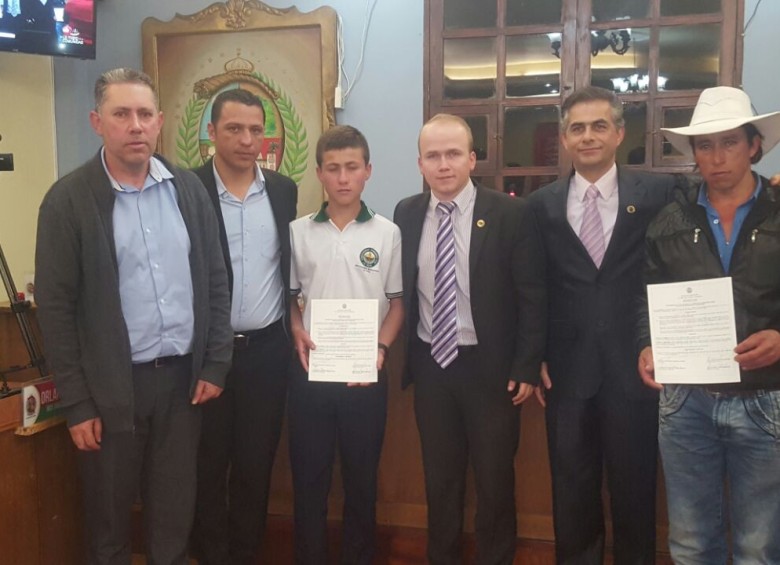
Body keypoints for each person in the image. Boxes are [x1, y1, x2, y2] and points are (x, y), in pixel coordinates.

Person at [34, 67, 233, 565]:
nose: (136, 125)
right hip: (109, 390)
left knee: (173, 515)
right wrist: (77, 403)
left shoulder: (188, 190)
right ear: (97, 121)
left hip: (182, 386)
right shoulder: (67, 201)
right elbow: (56, 310)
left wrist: (214, 364)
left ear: (160, 121)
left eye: (145, 114)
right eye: (122, 114)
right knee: (109, 519)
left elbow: (215, 280)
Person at [527, 86, 677, 564]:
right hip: (567, 372)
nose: (587, 136)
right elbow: (535, 288)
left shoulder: (657, 192)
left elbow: (721, 192)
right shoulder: (541, 205)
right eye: (577, 128)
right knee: (571, 489)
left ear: (619, 133)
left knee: (635, 489)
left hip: (634, 367)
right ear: (565, 139)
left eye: (598, 126)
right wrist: (536, 357)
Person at [393, 114, 545, 564]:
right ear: (420, 163)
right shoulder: (406, 212)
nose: (444, 165)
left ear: (472, 159)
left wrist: (525, 364)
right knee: (440, 481)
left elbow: (533, 295)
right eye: (434, 156)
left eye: (454, 154)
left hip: (491, 370)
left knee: (495, 481)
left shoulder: (510, 213)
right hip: (431, 366)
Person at [638, 86, 780, 564]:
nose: (717, 157)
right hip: (686, 402)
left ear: (754, 145)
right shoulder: (668, 221)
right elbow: (648, 299)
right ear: (693, 153)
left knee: (758, 546)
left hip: (766, 399)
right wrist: (647, 345)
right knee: (692, 543)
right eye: (705, 145)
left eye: (730, 143)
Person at [288, 125, 404, 564]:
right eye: (333, 168)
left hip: (365, 375)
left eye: (351, 168)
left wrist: (380, 351)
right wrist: (296, 327)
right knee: (309, 480)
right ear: (319, 173)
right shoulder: (299, 232)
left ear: (367, 171)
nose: (342, 178)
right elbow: (292, 301)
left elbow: (397, 304)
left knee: (361, 481)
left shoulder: (387, 232)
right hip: (311, 374)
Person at [191, 89, 297, 565]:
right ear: (211, 133)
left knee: (256, 469)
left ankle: (245, 555)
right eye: (234, 128)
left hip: (267, 355)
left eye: (256, 129)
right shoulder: (185, 190)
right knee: (207, 468)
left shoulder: (282, 190)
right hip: (207, 357)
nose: (247, 139)